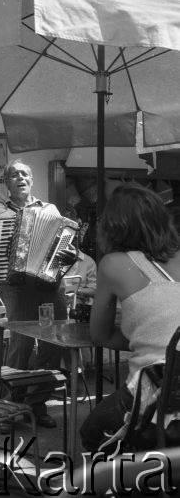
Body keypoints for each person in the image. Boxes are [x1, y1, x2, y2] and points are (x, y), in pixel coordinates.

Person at [0, 158, 72, 429]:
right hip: (16, 289)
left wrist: (70, 254)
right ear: (7, 183)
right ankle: (9, 408)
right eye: (14, 175)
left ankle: (37, 405)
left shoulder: (50, 209)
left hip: (48, 290)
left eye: (25, 174)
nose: (20, 179)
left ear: (32, 180)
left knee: (50, 346)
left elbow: (63, 247)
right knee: (20, 348)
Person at [80, 182, 180, 452]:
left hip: (156, 390)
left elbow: (99, 335)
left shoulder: (113, 264)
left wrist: (145, 343)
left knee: (92, 431)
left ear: (114, 225)